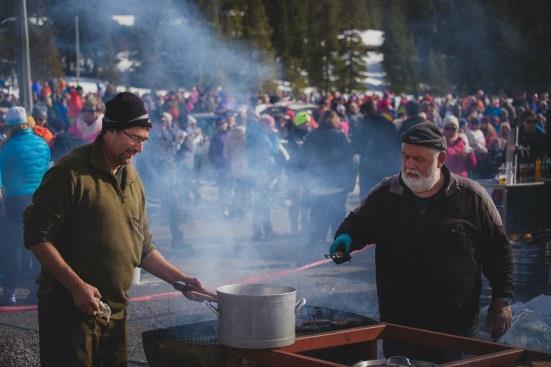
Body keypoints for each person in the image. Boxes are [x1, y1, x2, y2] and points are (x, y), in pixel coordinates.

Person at [23, 92, 209, 366]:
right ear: (109, 131)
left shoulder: (131, 176)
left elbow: (142, 244)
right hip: (70, 311)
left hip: (114, 312)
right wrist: (76, 286)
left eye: (143, 140)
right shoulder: (71, 173)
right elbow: (36, 235)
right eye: (134, 138)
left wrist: (179, 279)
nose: (139, 148)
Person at [328, 124, 513, 363]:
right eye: (405, 157)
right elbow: (356, 225)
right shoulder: (386, 193)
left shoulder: (472, 198)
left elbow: (499, 251)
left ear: (441, 159)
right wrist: (344, 241)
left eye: (419, 159)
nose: (410, 165)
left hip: (455, 328)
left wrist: (502, 300)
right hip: (399, 326)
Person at [0, 107, 50, 305]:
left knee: (13, 246)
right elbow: (47, 170)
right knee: (38, 244)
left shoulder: (9, 147)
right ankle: (37, 289)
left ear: (10, 126)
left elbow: (1, 175)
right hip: (39, 199)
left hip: (15, 201)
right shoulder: (42, 143)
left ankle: (10, 292)